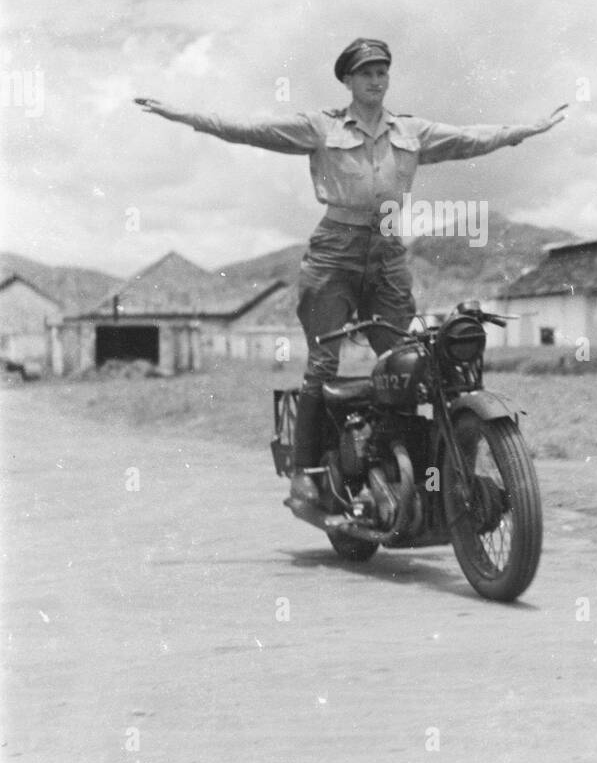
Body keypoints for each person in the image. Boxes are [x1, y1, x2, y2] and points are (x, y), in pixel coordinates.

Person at [137, 39, 566, 510]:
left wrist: (526, 130)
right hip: (333, 251)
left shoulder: (411, 130)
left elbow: (468, 138)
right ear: (347, 80)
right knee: (323, 365)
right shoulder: (319, 126)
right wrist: (185, 116)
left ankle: (403, 470)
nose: (376, 80)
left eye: (382, 71)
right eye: (366, 73)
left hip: (387, 248)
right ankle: (305, 474)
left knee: (406, 363)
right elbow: (250, 129)